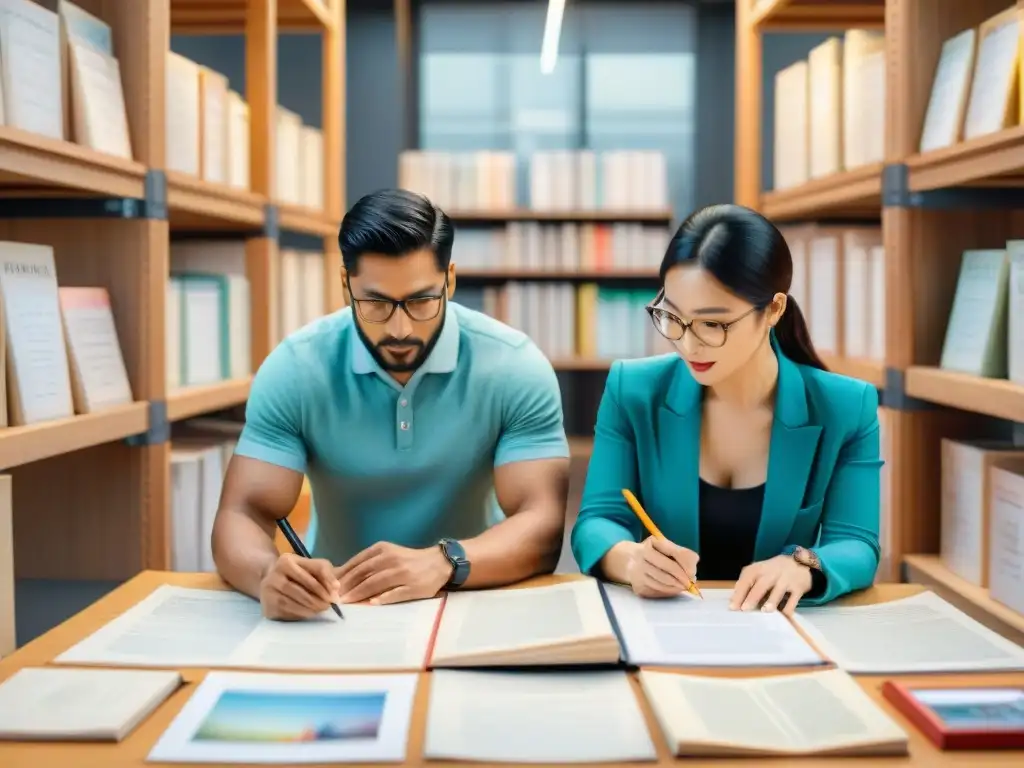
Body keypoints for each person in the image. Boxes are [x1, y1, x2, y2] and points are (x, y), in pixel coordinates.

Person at [212, 189, 571, 619]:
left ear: (450, 280)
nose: (400, 329)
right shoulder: (295, 367)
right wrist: (267, 575)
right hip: (335, 608)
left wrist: (444, 562)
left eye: (421, 301)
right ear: (345, 285)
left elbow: (543, 523)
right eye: (376, 304)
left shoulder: (514, 365)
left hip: (473, 594)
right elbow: (242, 513)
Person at [571, 204, 882, 615]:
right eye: (672, 317)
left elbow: (857, 543)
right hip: (662, 627)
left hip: (780, 628)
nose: (688, 344)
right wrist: (630, 559)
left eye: (712, 324)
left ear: (773, 310)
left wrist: (803, 567)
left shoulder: (845, 406)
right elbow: (596, 520)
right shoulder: (633, 390)